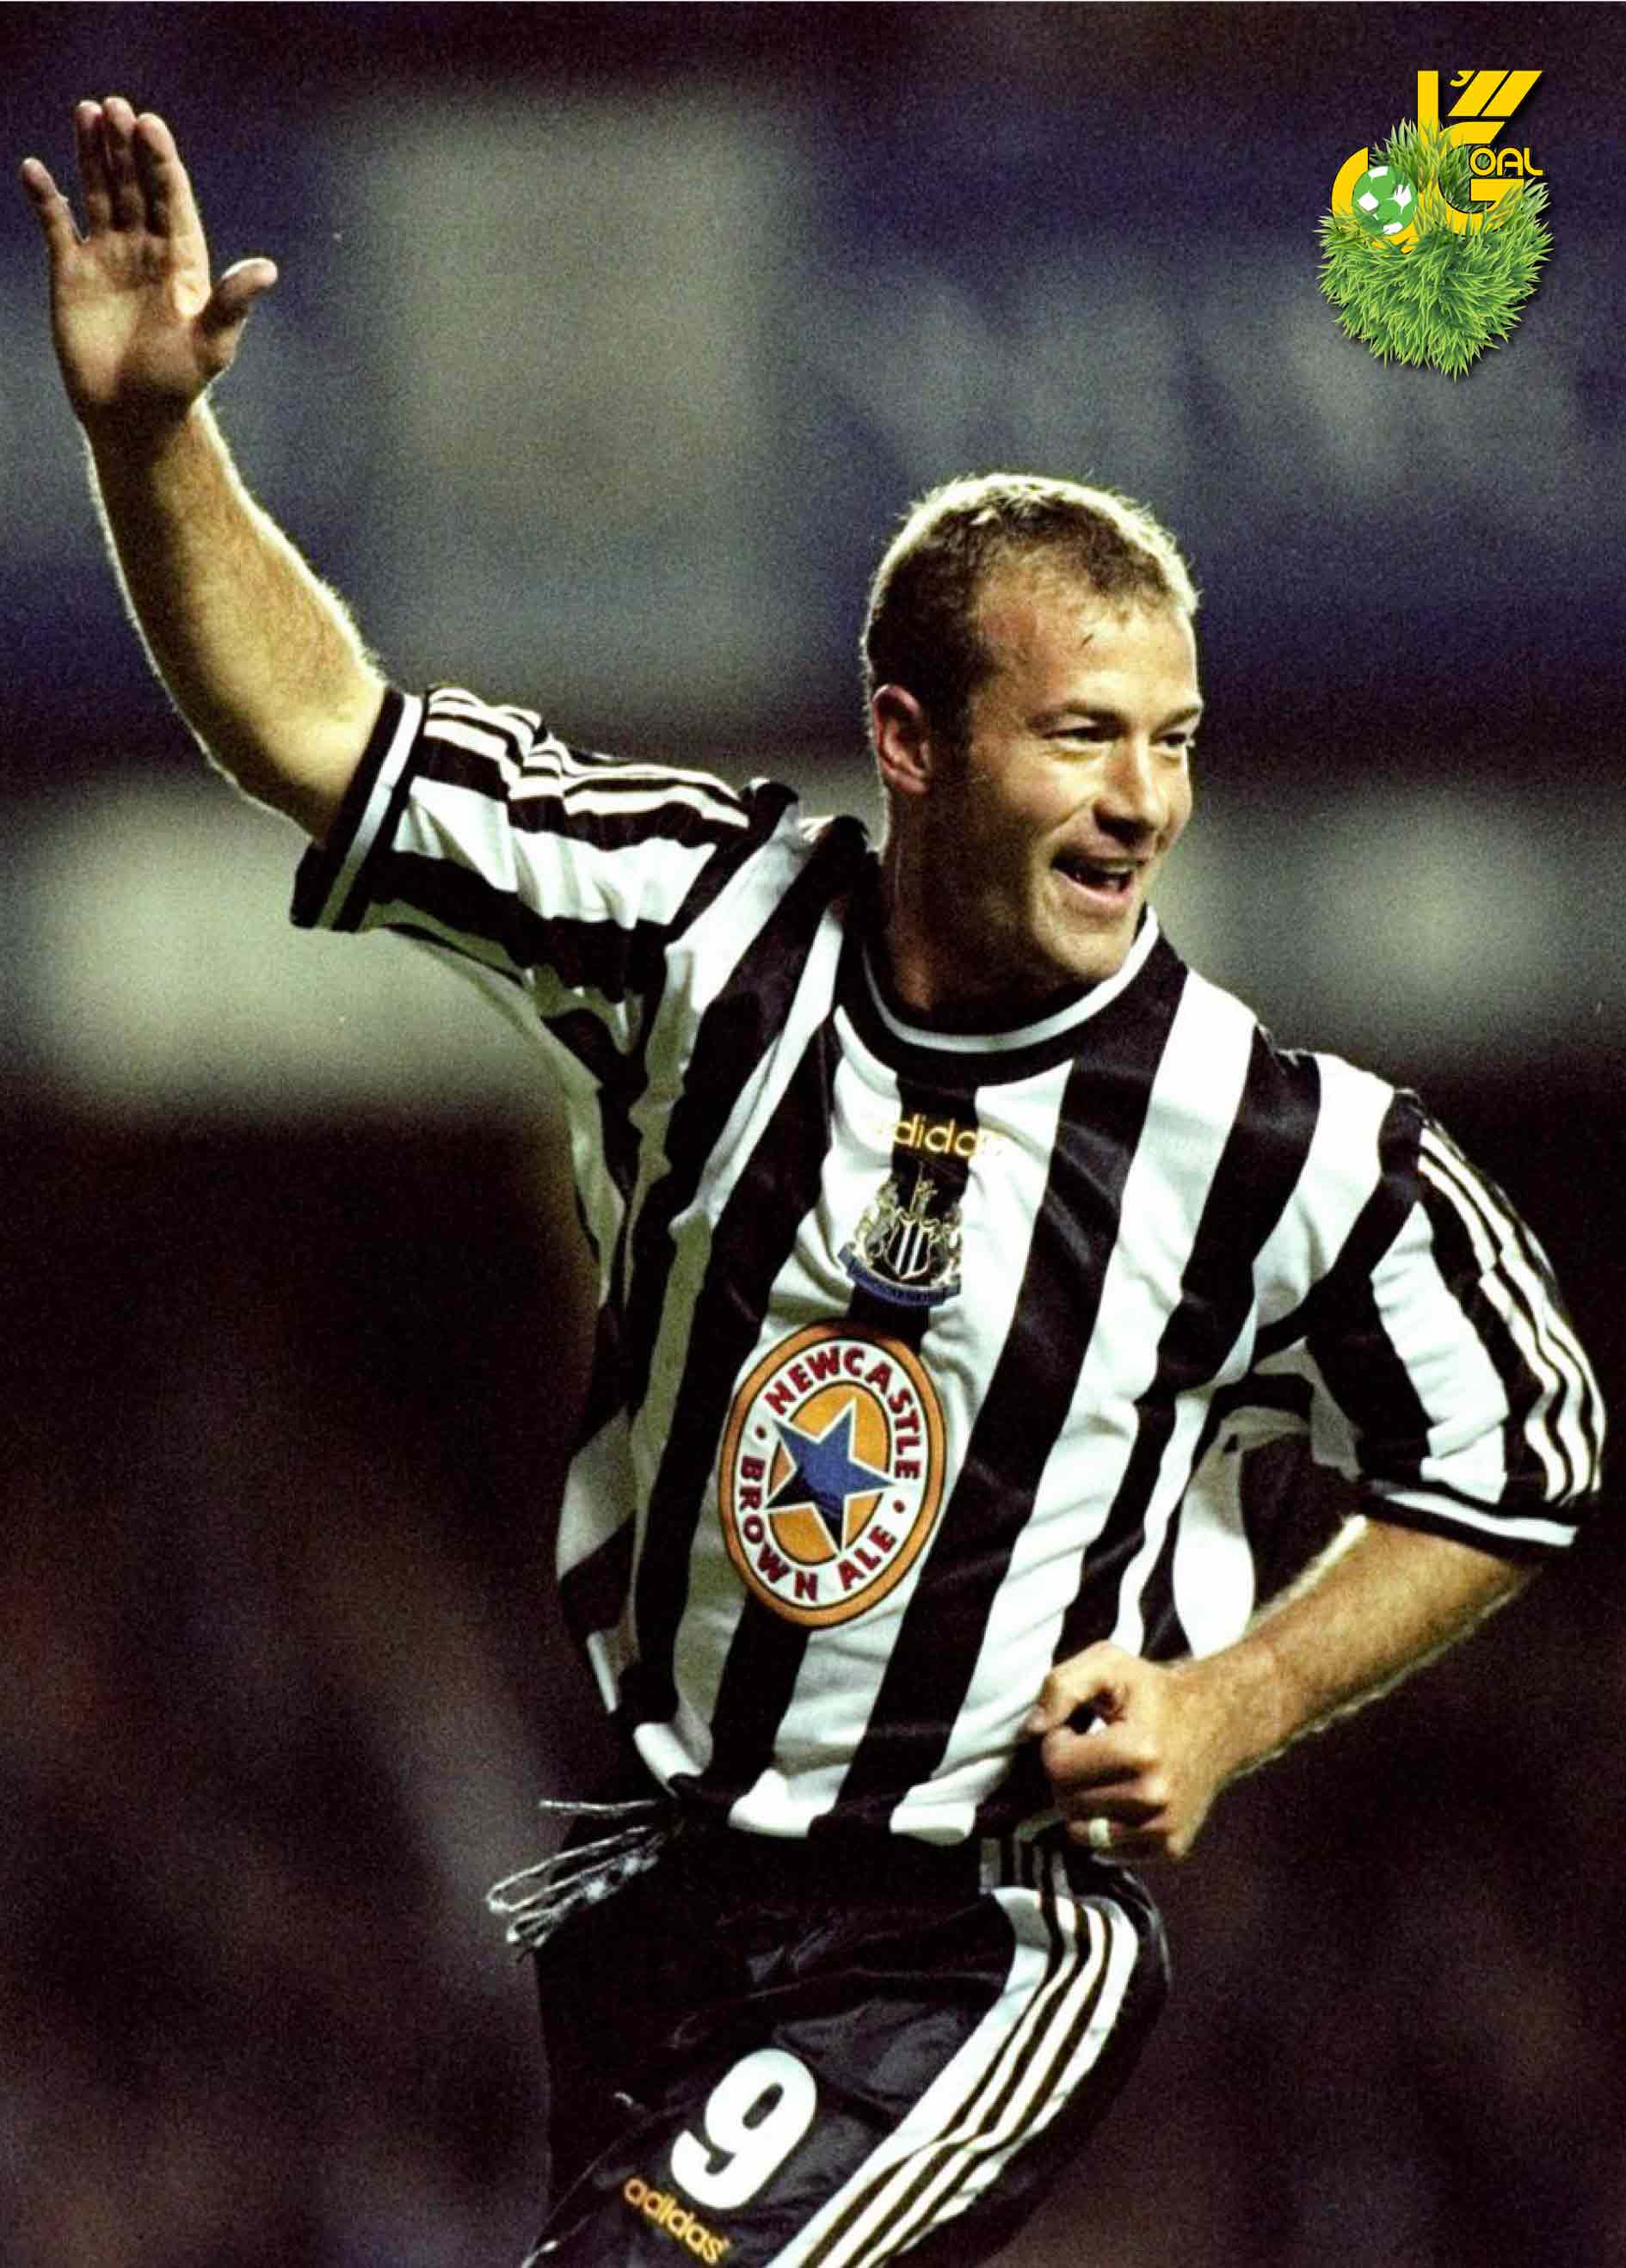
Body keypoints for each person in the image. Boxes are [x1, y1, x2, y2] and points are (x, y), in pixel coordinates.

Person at [22, 100, 1605, 2268]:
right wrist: (150, 443)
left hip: (975, 1935)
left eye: (1173, 738)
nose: (1142, 800)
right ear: (911, 738)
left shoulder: (1270, 1134)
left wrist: (1228, 1703)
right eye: (1082, 734)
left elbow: (1528, 1440)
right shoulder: (698, 922)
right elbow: (331, 737)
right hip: (666, 1895)